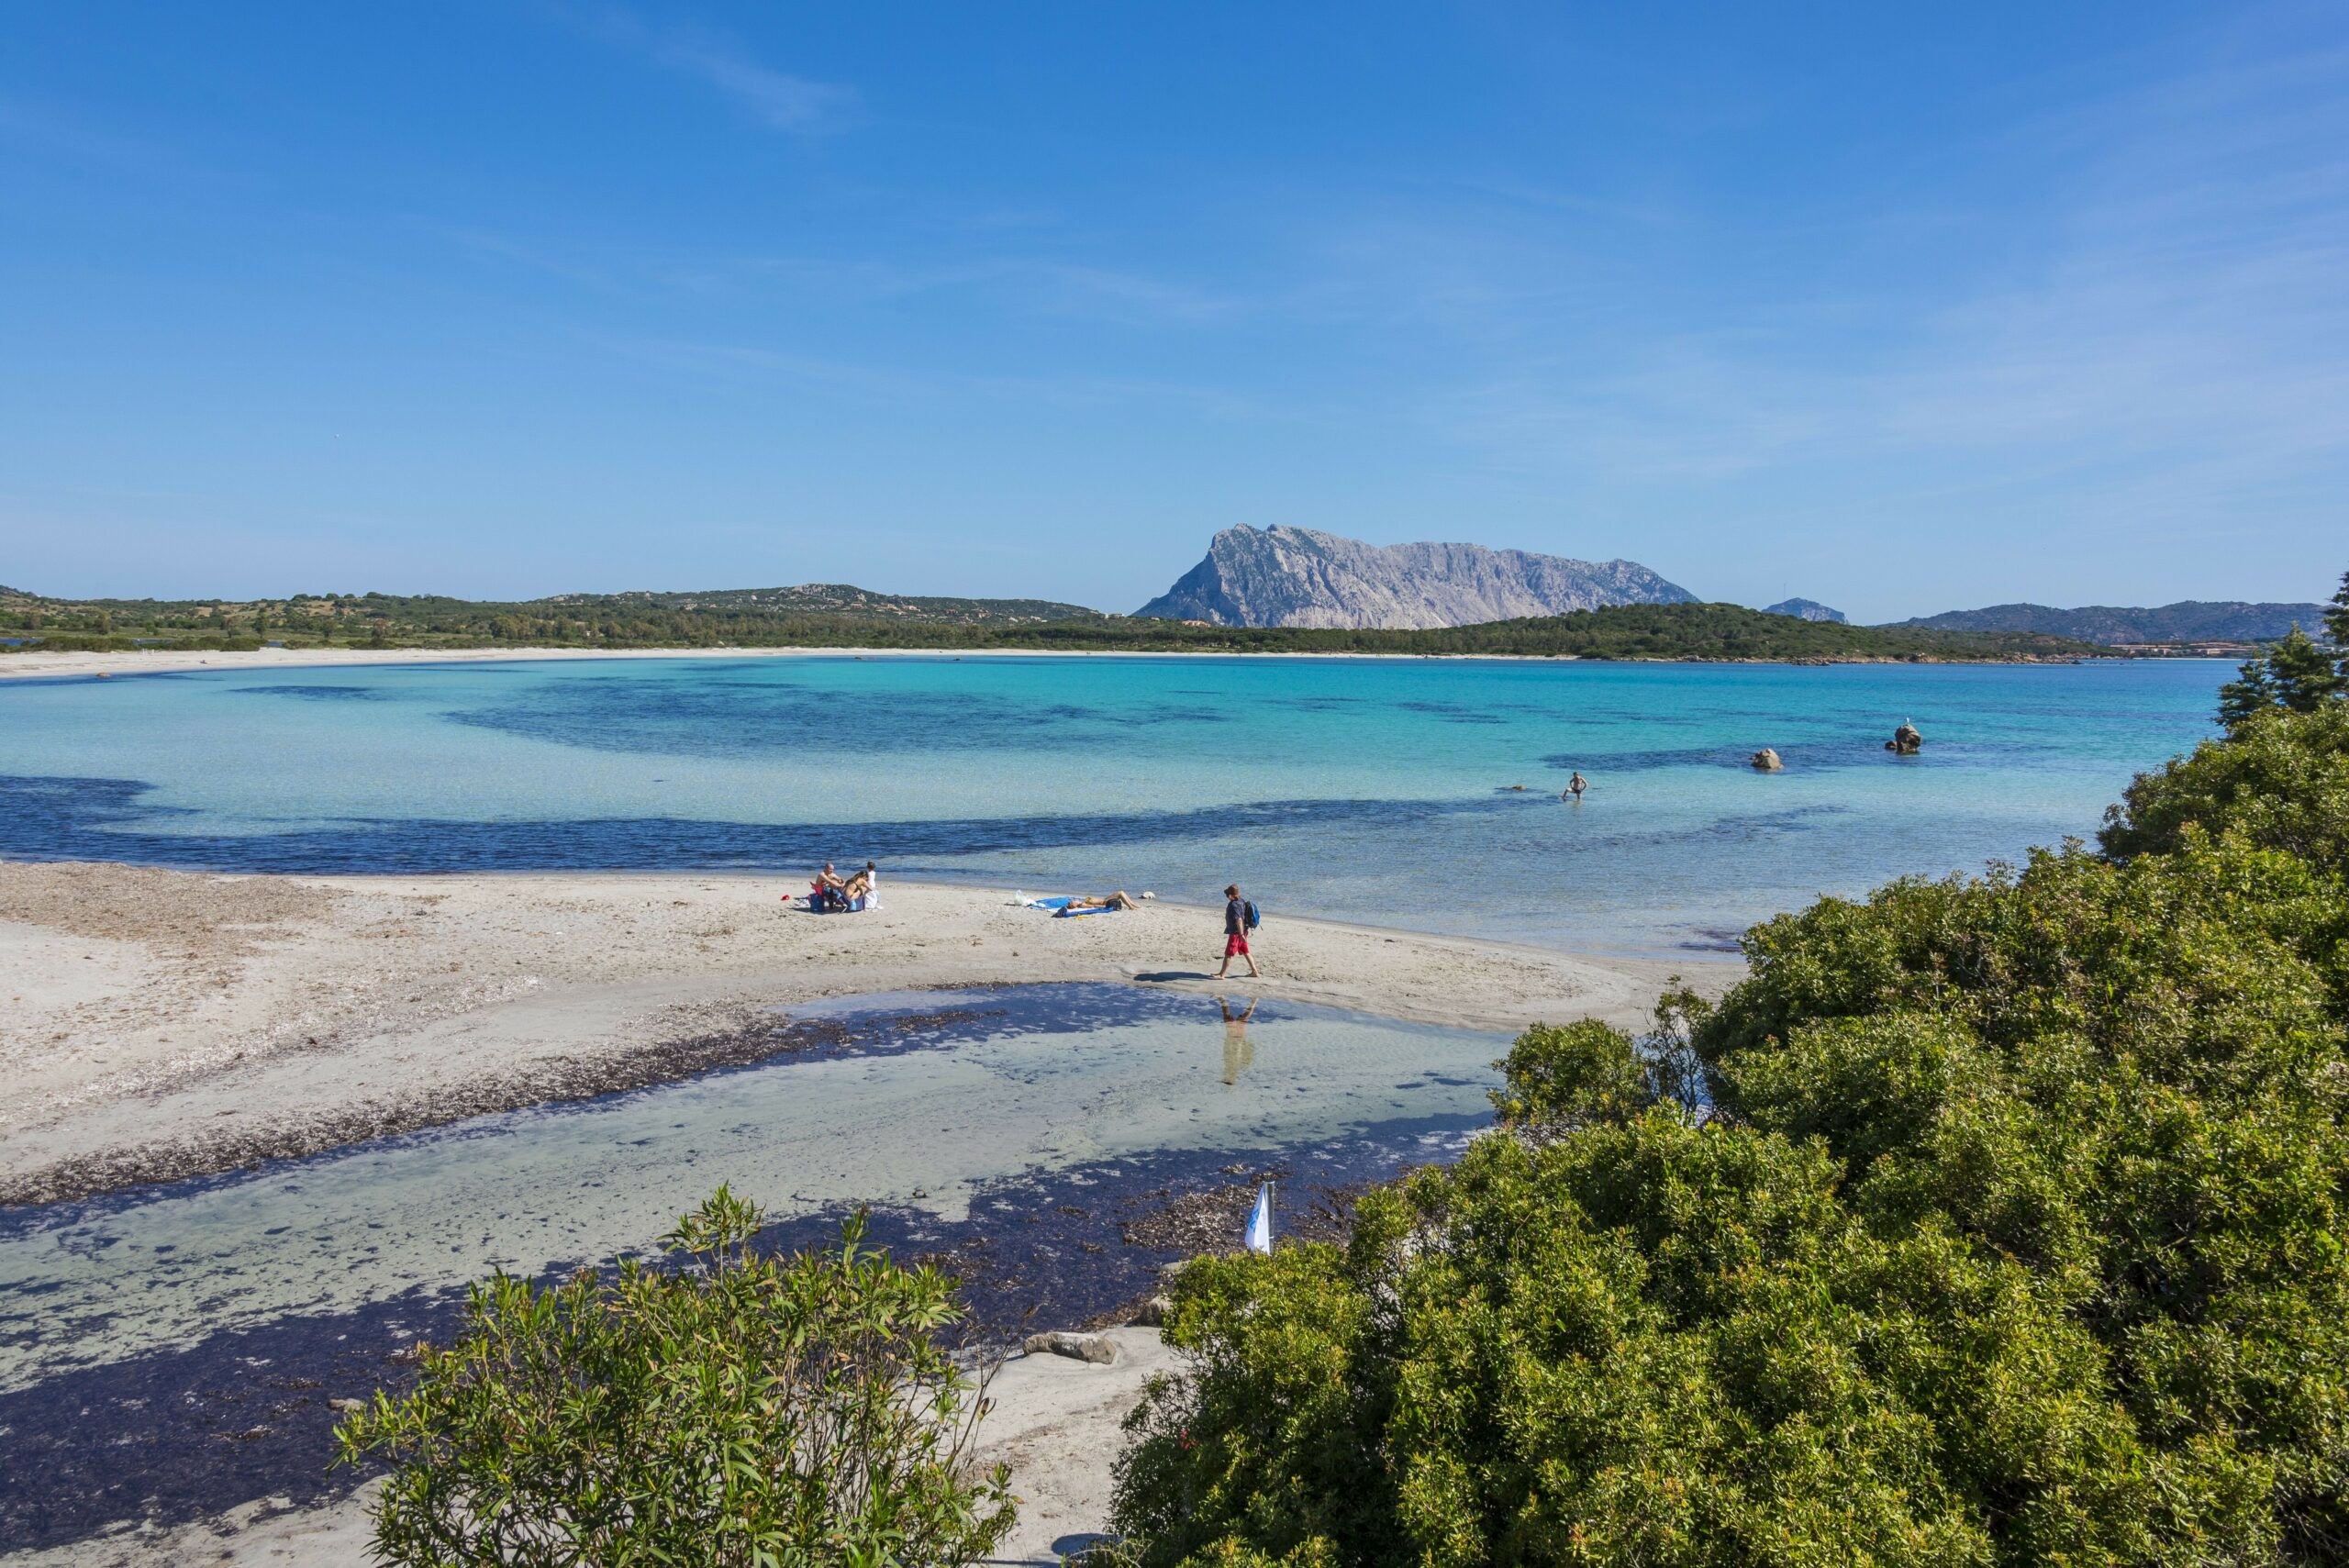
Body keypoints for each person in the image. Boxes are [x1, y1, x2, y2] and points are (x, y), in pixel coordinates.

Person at [1216, 884, 1261, 979]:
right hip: (1243, 931)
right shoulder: (1241, 901)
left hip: (1237, 933)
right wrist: (1243, 934)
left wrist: (1240, 935)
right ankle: (1255, 972)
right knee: (1245, 951)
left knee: (1229, 953)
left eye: (1227, 894)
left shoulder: (1234, 905)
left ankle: (1222, 975)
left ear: (1231, 895)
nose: (1227, 896)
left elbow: (1239, 920)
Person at [1219, 996, 1257, 1085]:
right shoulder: (1233, 1066)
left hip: (1233, 1037)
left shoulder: (1231, 1066)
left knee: (1229, 1017)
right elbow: (1235, 1050)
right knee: (1241, 1018)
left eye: (1224, 1077)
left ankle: (1222, 999)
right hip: (1237, 1037)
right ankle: (1254, 1001)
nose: (1224, 1075)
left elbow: (1228, 1051)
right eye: (1226, 1077)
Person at [1064, 891, 1141, 911]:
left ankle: (1132, 905)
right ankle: (1131, 906)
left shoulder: (1082, 901)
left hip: (1105, 899)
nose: (1071, 901)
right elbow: (1093, 906)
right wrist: (1104, 906)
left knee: (1122, 892)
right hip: (1105, 902)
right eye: (1071, 903)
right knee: (1120, 893)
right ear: (1073, 905)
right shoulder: (1082, 905)